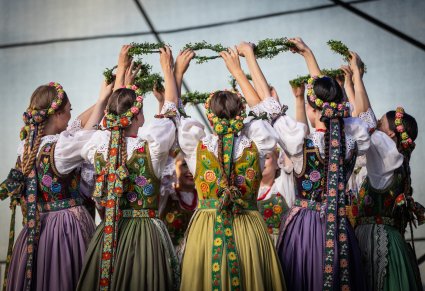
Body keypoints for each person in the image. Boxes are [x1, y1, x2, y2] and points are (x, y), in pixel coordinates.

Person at [177, 45, 285, 291]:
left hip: (207, 227)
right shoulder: (256, 142)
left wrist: (177, 73)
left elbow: (175, 113)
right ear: (241, 114)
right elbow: (263, 113)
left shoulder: (196, 146)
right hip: (249, 228)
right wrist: (238, 72)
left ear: (210, 117)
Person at [76, 46, 180, 291]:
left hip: (110, 230)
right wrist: (169, 70)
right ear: (138, 117)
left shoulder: (97, 145)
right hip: (145, 234)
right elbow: (171, 110)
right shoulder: (150, 146)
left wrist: (121, 75)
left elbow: (109, 126)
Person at [274, 37, 369, 291]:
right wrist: (309, 56)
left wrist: (308, 56)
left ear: (311, 108)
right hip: (340, 228)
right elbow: (330, 96)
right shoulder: (352, 139)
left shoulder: (300, 144)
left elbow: (269, 106)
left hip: (305, 230)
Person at [0, 78, 110, 290]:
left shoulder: (27, 148)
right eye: (68, 110)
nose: (70, 116)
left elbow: (77, 125)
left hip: (35, 229)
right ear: (57, 114)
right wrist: (104, 100)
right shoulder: (61, 148)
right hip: (66, 229)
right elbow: (87, 135)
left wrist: (102, 101)